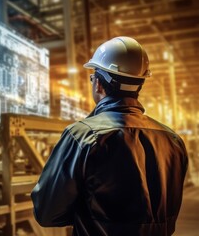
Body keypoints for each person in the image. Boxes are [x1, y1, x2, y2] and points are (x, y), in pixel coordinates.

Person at [31, 36, 189, 236]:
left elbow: (47, 213)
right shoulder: (173, 140)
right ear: (139, 85)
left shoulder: (82, 136)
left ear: (98, 84)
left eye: (92, 77)